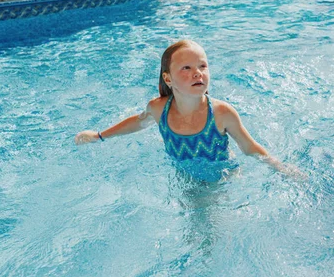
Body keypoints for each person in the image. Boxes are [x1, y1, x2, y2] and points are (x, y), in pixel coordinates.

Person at [75, 40, 303, 180]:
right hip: (184, 174)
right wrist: (99, 136)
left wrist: (279, 167)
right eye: (187, 68)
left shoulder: (222, 113)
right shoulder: (159, 108)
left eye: (202, 66)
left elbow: (248, 146)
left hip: (223, 174)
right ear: (168, 78)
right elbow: (138, 122)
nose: (198, 73)